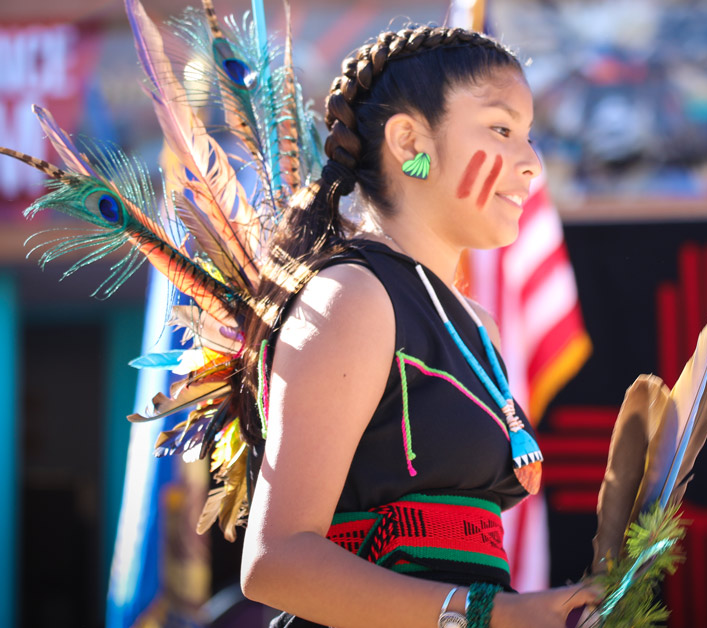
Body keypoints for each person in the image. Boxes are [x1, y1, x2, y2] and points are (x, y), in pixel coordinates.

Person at [235, 26, 598, 627]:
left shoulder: (479, 325)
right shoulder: (352, 297)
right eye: (502, 129)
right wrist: (493, 617)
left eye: (528, 135)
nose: (532, 162)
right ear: (409, 142)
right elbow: (275, 563)